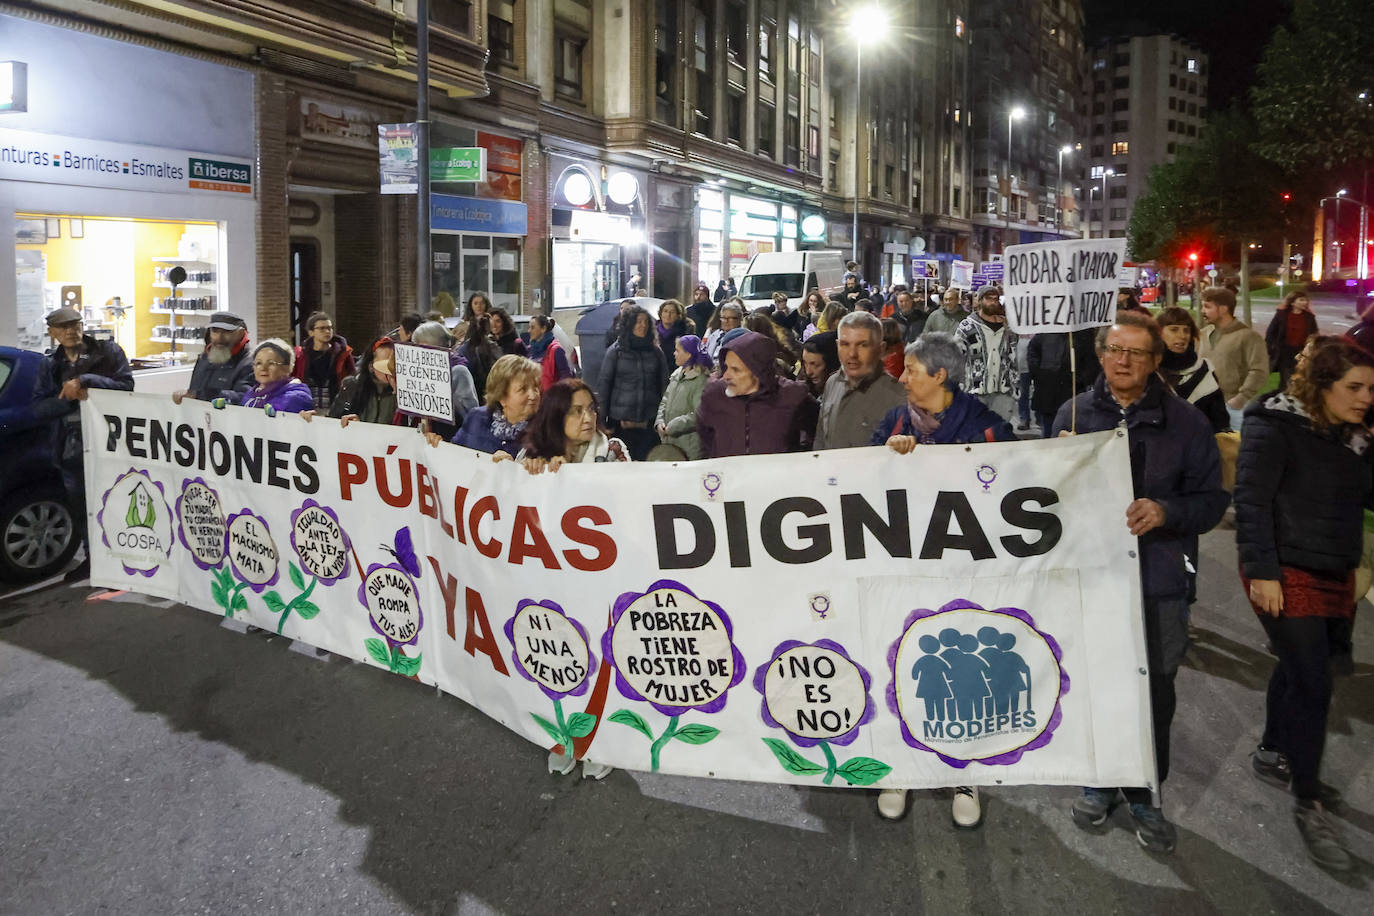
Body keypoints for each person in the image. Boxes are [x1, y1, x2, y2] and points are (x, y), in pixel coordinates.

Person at [1056, 312, 1229, 856]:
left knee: (1154, 689)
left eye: (1134, 352)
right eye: (1113, 349)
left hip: (1158, 582)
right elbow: (1036, 498)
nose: (1122, 360)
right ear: (1101, 354)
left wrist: (1166, 510)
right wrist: (1054, 463)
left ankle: (1145, 793)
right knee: (1096, 681)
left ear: (1156, 362)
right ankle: (1099, 779)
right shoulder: (1073, 413)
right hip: (1092, 577)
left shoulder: (1186, 423)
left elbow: (1211, 503)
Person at [1234, 337, 1374, 872]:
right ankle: (1308, 798)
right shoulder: (1274, 424)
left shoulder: (1356, 435)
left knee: (1299, 669)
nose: (1364, 398)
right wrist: (1264, 572)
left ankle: (1273, 749)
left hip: (1333, 566)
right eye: (1353, 388)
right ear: (1321, 386)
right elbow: (1251, 500)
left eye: (1369, 388)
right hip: (1282, 567)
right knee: (1314, 680)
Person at [873, 331, 1015, 829]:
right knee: (900, 659)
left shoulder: (985, 426)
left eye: (910, 369)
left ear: (939, 375)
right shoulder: (894, 420)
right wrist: (887, 456)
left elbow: (1010, 483)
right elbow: (861, 477)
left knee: (964, 668)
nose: (902, 376)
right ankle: (901, 770)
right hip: (904, 565)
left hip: (962, 570)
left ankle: (963, 771)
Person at [31, 307, 135, 582]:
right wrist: (68, 397)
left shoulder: (108, 352)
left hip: (109, 442)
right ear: (52, 333)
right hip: (70, 447)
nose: (70, 331)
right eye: (63, 327)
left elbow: (126, 386)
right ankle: (93, 562)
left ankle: (125, 562)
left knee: (115, 502)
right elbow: (39, 408)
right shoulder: (49, 365)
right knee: (82, 508)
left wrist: (88, 381)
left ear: (82, 325)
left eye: (75, 324)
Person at [697, 330, 818, 457]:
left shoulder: (793, 395)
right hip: (729, 475)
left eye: (736, 370)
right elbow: (705, 441)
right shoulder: (714, 395)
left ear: (758, 372)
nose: (726, 376)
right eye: (727, 367)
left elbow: (818, 432)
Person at [814, 312, 906, 450]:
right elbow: (821, 439)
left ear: (881, 349)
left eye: (863, 345)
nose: (852, 354)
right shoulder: (832, 383)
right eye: (845, 344)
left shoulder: (898, 397)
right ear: (837, 346)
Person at [598, 308, 667, 460]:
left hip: (648, 421)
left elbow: (664, 386)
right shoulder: (615, 352)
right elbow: (604, 386)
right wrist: (602, 421)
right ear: (629, 325)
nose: (642, 325)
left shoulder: (656, 352)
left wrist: (663, 417)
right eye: (638, 322)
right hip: (621, 422)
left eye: (645, 322)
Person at [519, 379, 629, 473]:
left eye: (591, 408)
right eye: (577, 411)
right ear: (557, 417)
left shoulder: (613, 450)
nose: (588, 418)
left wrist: (569, 474)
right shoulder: (532, 454)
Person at [1198, 286, 1269, 431]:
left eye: (1207, 307)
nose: (1202, 311)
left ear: (1223, 309)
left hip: (1233, 407)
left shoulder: (1248, 336)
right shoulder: (1203, 334)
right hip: (1205, 405)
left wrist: (1240, 399)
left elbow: (1259, 370)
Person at [450, 354, 541, 457]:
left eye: (535, 387)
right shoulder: (476, 417)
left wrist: (512, 468)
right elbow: (453, 455)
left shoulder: (546, 431)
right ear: (501, 396)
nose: (533, 396)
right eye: (523, 389)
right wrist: (434, 446)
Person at [1156, 307, 1230, 433]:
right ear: (1158, 333)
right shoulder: (1148, 371)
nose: (1182, 336)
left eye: (1186, 331)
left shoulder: (1205, 371)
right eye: (1174, 329)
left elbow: (1220, 422)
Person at [954, 286, 1020, 425]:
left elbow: (1013, 357)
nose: (993, 302)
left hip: (1003, 391)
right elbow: (956, 357)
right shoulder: (966, 327)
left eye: (995, 299)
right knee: (976, 433)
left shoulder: (1008, 328)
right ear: (980, 300)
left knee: (999, 432)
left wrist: (1016, 385)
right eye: (988, 299)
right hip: (974, 391)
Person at [1027, 330, 1097, 438]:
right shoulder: (1045, 333)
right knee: (1048, 433)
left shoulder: (1084, 335)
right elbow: (1033, 353)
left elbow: (1092, 363)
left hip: (1073, 395)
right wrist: (1039, 374)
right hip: (1048, 393)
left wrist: (1080, 379)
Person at [173, 311, 253, 404]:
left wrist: (200, 395)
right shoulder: (204, 358)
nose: (219, 337)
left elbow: (245, 398)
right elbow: (194, 390)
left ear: (240, 333)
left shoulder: (249, 363)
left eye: (227, 332)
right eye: (215, 331)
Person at [653, 335, 713, 461]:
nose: (674, 354)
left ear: (689, 354)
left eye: (678, 351)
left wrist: (674, 426)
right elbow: (665, 400)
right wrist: (659, 421)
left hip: (689, 448)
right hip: (670, 444)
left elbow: (700, 414)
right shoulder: (676, 375)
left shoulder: (701, 380)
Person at [325, 337, 399, 427]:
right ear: (371, 366)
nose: (390, 371)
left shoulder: (402, 395)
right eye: (384, 365)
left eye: (394, 364)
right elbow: (332, 420)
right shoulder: (352, 386)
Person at [293, 312, 355, 411]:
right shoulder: (301, 354)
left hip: (334, 406)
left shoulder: (343, 353)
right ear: (311, 332)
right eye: (322, 329)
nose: (327, 331)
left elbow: (352, 379)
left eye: (329, 328)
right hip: (307, 406)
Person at [238, 339, 315, 412]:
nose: (263, 368)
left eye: (271, 363)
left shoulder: (296, 398)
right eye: (258, 363)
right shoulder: (251, 394)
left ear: (287, 367)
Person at [1265, 291, 1320, 390]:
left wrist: (1311, 348)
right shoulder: (1281, 315)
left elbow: (1314, 334)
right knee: (1286, 380)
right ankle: (1282, 398)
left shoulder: (1309, 317)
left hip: (1301, 353)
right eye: (1301, 300)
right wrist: (1271, 348)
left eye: (1306, 300)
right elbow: (1271, 333)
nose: (1305, 302)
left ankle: (1295, 398)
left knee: (1300, 378)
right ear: (1292, 302)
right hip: (1284, 352)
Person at [458, 313, 503, 402]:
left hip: (470, 394)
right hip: (488, 394)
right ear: (488, 328)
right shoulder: (491, 347)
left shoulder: (462, 348)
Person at [528, 314, 575, 390]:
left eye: (532, 327)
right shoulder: (531, 349)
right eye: (529, 327)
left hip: (549, 398)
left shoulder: (556, 350)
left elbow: (566, 375)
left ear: (543, 329)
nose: (529, 331)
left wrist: (554, 392)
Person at [656, 299, 692, 379]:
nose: (668, 315)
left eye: (672, 312)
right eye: (665, 311)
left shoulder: (685, 331)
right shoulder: (652, 331)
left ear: (678, 315)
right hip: (656, 373)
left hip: (676, 373)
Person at [800, 332, 840, 399]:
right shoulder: (802, 389)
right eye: (805, 363)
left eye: (815, 365)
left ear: (831, 364)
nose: (808, 372)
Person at [704, 300, 745, 365]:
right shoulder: (714, 335)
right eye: (723, 318)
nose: (725, 321)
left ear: (739, 319)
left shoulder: (743, 338)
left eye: (729, 318)